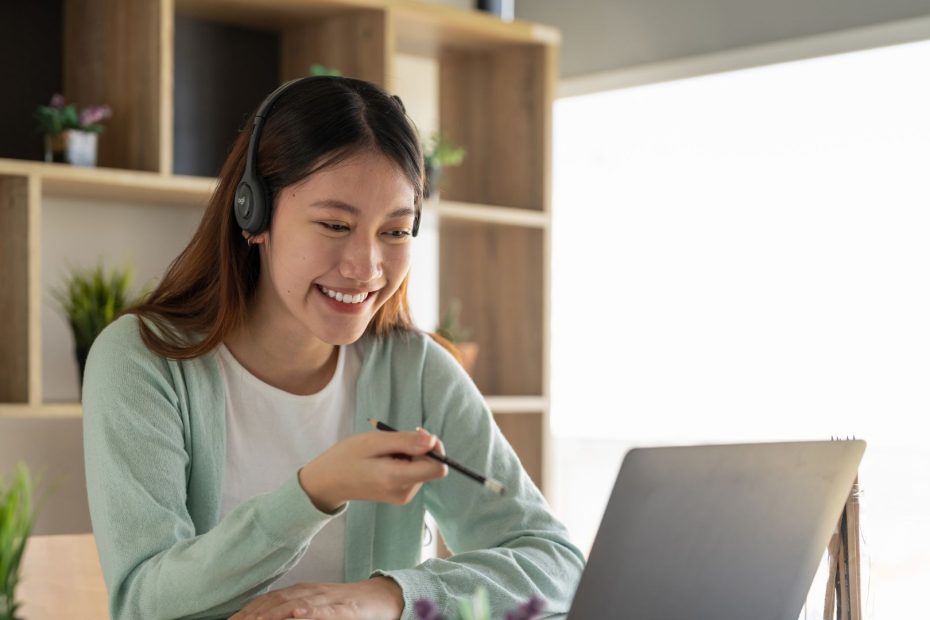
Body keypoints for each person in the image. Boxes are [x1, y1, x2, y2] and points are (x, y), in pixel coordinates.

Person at [82, 75, 584, 620]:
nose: (365, 267)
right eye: (335, 224)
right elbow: (143, 605)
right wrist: (314, 492)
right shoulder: (143, 361)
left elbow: (556, 564)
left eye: (395, 232)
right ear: (253, 215)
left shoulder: (415, 371)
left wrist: (386, 597)